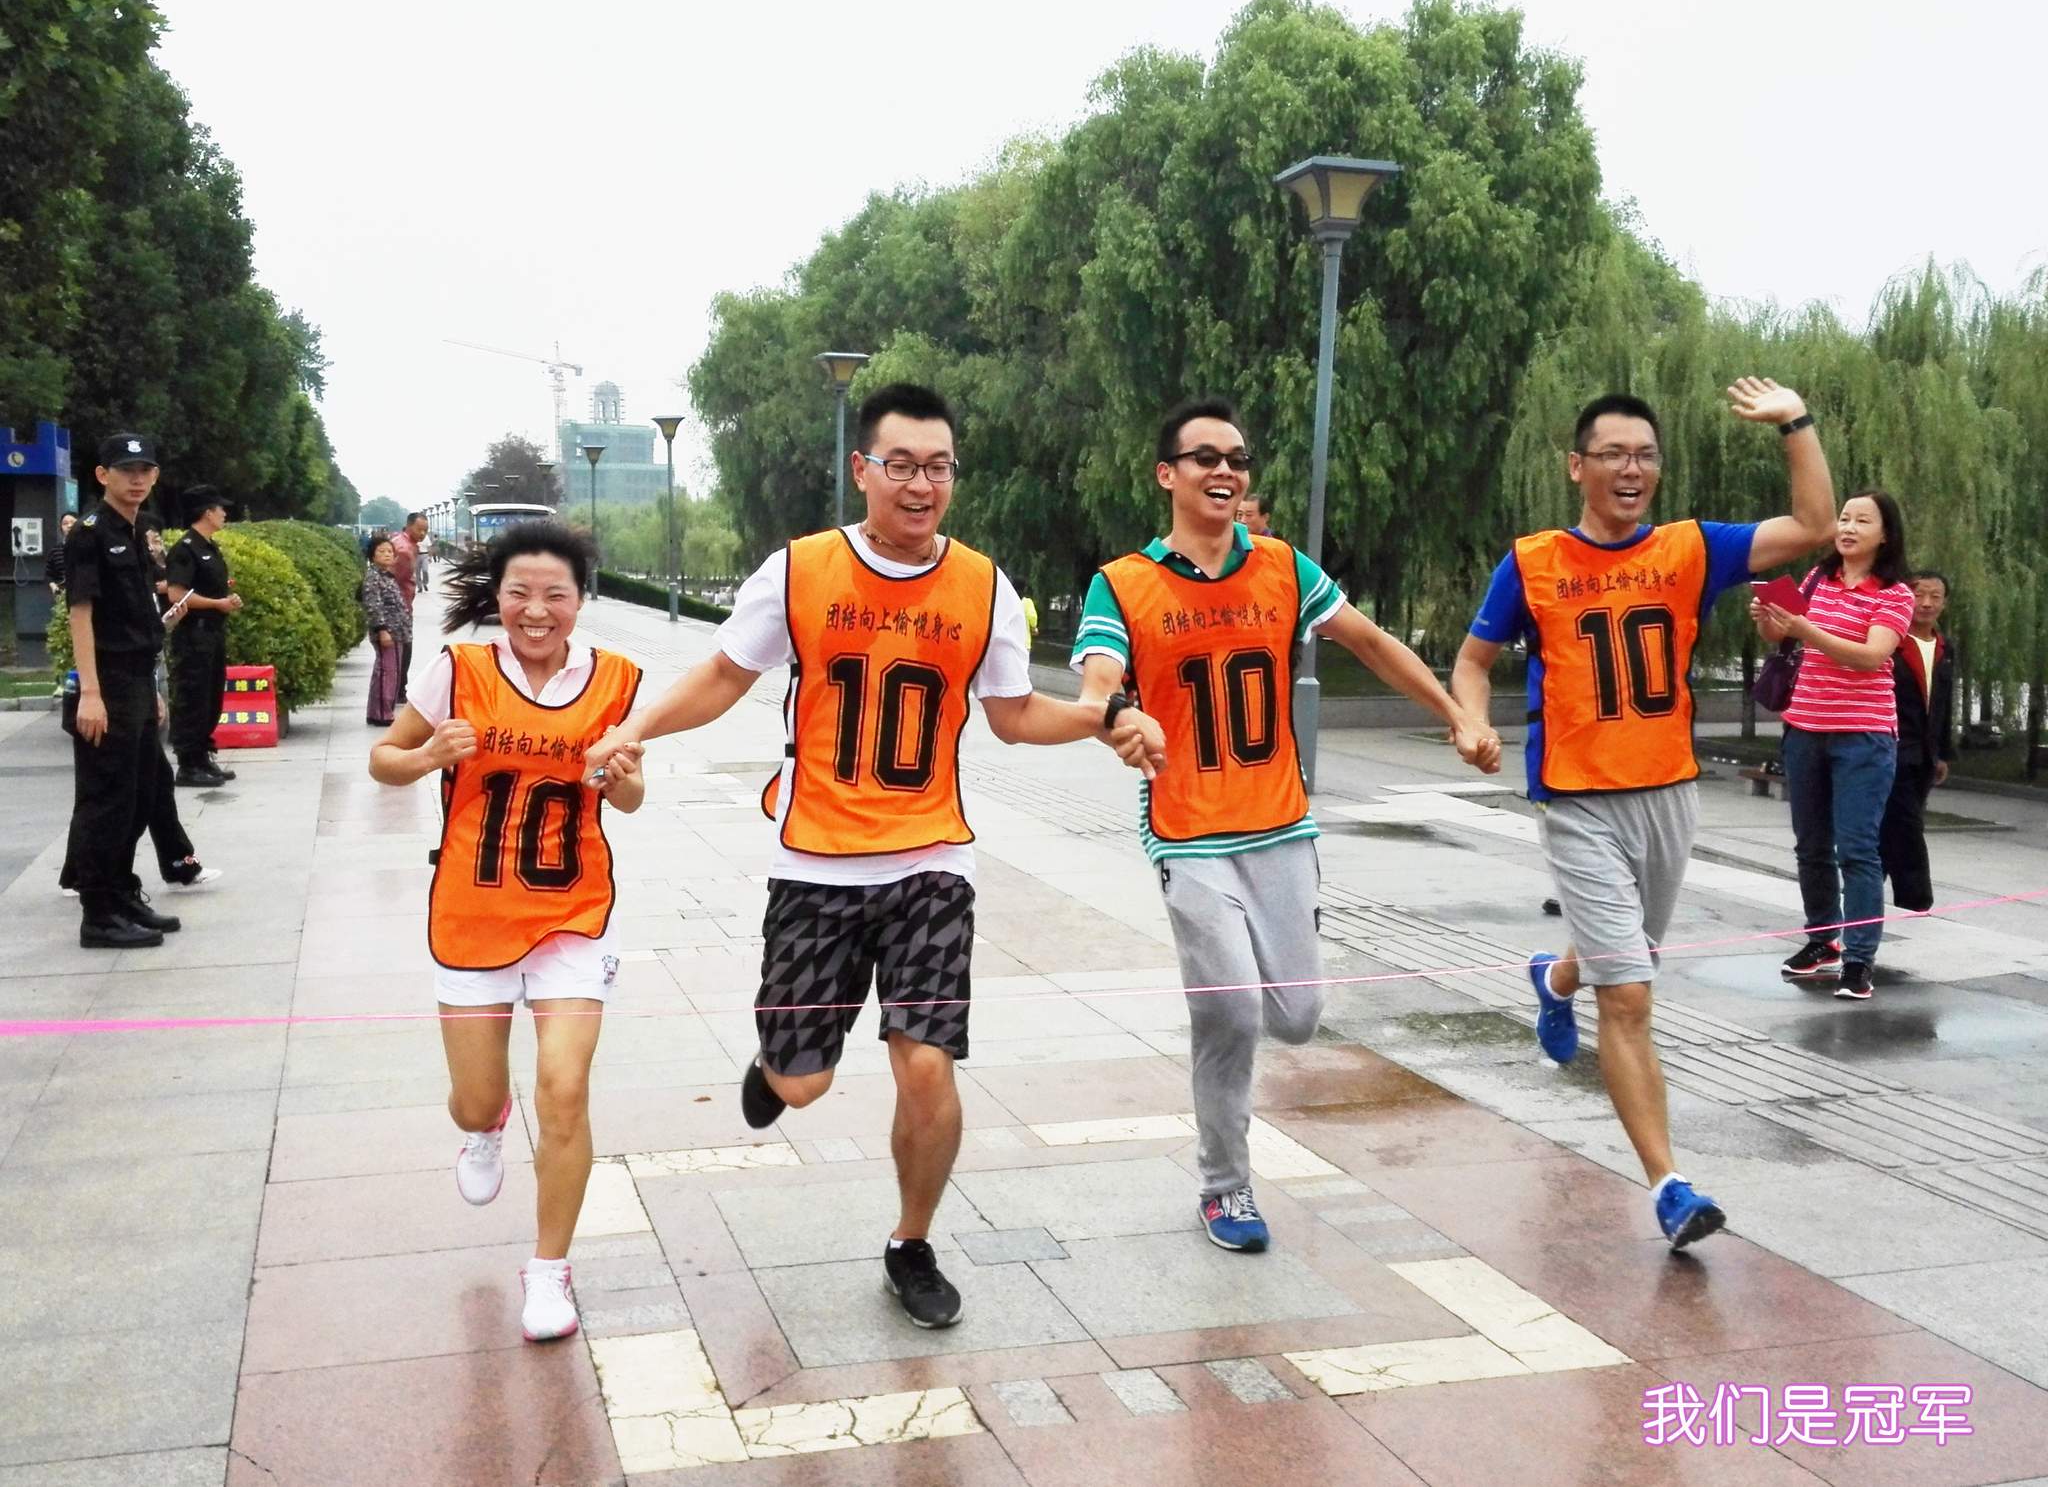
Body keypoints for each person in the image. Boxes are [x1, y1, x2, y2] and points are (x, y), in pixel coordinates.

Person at [585, 383, 1165, 1331]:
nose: (920, 484)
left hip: (931, 860)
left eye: (939, 467)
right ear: (863, 470)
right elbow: (725, 675)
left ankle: (911, 1241)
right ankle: (777, 1068)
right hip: (814, 861)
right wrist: (633, 727)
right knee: (804, 1082)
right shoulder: (801, 570)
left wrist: (1103, 720)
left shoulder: (983, 585)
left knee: (926, 1064)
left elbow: (1015, 714)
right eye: (901, 465)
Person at [1073, 399, 1500, 1254]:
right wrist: (1118, 713)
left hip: (1280, 828)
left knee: (1298, 1017)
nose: (1224, 471)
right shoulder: (1123, 582)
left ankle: (1240, 1009)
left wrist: (1456, 712)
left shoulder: (1283, 568)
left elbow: (1370, 642)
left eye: (1236, 458)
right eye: (1204, 457)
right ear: (1167, 474)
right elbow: (1099, 678)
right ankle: (1224, 1185)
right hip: (1189, 833)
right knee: (1231, 1012)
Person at [1451, 378, 1835, 1250]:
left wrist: (1795, 422)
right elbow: (1472, 661)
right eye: (1614, 454)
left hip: (1668, 793)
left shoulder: (1693, 549)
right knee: (1627, 995)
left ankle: (1555, 978)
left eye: (1646, 456)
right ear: (1576, 466)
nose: (1632, 470)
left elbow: (1814, 526)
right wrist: (1471, 721)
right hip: (1577, 800)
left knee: (1623, 958)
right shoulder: (1533, 562)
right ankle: (1670, 1185)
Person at [368, 521, 646, 1343]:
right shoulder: (459, 670)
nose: (536, 609)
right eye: (520, 592)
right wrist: (429, 756)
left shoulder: (617, 680)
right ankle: (485, 1127)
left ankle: (550, 1268)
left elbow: (630, 798)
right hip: (473, 912)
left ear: (580, 600)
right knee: (476, 1097)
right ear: (499, 597)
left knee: (564, 1087)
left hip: (572, 915)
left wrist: (624, 778)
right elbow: (384, 758)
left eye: (555, 594)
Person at [1756, 492, 1916, 1001]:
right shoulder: (1816, 579)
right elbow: (1782, 641)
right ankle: (1822, 940)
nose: (1848, 527)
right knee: (1811, 845)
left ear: (1885, 535)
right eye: (1844, 518)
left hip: (1863, 737)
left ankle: (1859, 959)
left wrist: (1807, 629)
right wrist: (1769, 619)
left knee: (1857, 850)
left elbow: (1871, 656)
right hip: (1804, 728)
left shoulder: (1895, 594)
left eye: (1862, 521)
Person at [61, 433, 185, 948]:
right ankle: (98, 912)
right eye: (126, 470)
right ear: (102, 475)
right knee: (107, 799)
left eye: (145, 470)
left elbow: (137, 617)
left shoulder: (135, 530)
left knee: (140, 793)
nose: (136, 479)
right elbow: (81, 613)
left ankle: (122, 892)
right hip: (106, 682)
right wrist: (90, 693)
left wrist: (149, 687)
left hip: (135, 679)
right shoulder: (89, 534)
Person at [1878, 571, 1956, 914]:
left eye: (1935, 596)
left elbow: (1945, 703)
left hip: (1924, 755)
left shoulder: (1945, 647)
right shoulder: (1888, 643)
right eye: (1918, 594)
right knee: (1908, 827)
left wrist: (1942, 753)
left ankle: (1860, 896)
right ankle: (1916, 904)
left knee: (1890, 828)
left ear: (1944, 602)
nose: (1926, 603)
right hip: (1889, 749)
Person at [164, 487, 242, 787]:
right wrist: (216, 604)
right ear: (207, 512)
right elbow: (176, 594)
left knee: (211, 696)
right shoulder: (185, 549)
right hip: (193, 635)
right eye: (220, 508)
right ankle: (188, 763)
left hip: (212, 633)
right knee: (193, 697)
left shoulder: (210, 546)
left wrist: (227, 600)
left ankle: (203, 756)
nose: (224, 513)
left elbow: (213, 587)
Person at [361, 535, 411, 726]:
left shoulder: (386, 576)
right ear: (372, 555)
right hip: (387, 632)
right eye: (381, 551)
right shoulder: (373, 577)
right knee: (387, 672)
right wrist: (382, 630)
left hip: (397, 631)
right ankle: (382, 713)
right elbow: (373, 605)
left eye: (390, 551)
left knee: (388, 671)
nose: (387, 554)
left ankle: (377, 711)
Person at [389, 511, 429, 698]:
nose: (423, 533)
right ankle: (399, 689)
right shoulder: (404, 550)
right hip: (400, 606)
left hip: (399, 605)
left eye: (425, 530)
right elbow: (395, 580)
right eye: (419, 529)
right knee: (404, 648)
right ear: (409, 526)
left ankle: (396, 688)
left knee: (400, 648)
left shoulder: (399, 542)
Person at [45, 511, 77, 595]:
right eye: (65, 523)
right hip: (63, 593)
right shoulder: (55, 550)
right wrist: (53, 586)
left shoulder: (88, 547)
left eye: (73, 522)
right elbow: (48, 573)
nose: (69, 526)